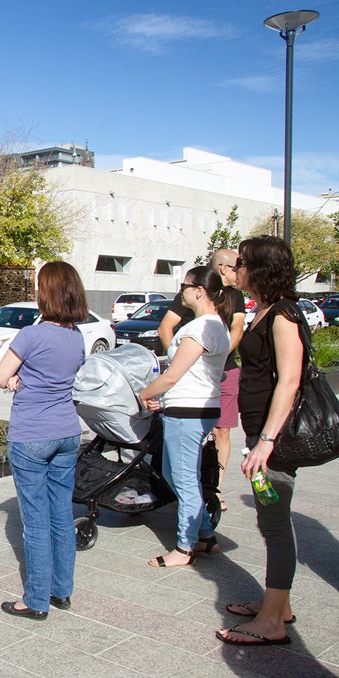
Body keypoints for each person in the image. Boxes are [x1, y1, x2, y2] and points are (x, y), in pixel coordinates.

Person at [217, 235, 303, 647]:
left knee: (274, 522)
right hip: (262, 433)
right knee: (272, 522)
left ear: (261, 268)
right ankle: (277, 604)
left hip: (276, 438)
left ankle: (272, 622)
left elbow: (289, 380)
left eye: (243, 263)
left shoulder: (283, 314)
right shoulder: (265, 310)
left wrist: (266, 442)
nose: (237, 270)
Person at [0, 261, 89, 620]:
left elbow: (0, 377)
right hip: (67, 432)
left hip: (32, 434)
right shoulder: (77, 337)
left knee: (35, 521)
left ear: (44, 293)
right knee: (62, 516)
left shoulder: (32, 335)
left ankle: (34, 600)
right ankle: (61, 591)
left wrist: (14, 381)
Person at [139, 266, 231, 568]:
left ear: (199, 290)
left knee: (183, 478)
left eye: (185, 285)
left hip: (188, 412)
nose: (181, 291)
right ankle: (204, 535)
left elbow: (173, 374)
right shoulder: (215, 326)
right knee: (174, 473)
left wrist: (145, 394)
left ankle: (184, 547)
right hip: (192, 409)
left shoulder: (200, 328)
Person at [209, 249, 247, 511]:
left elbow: (238, 328)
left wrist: (220, 357)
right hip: (197, 372)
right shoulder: (199, 290)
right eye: (237, 266)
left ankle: (216, 489)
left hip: (226, 371)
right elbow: (168, 326)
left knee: (222, 429)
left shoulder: (237, 296)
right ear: (223, 268)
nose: (240, 271)